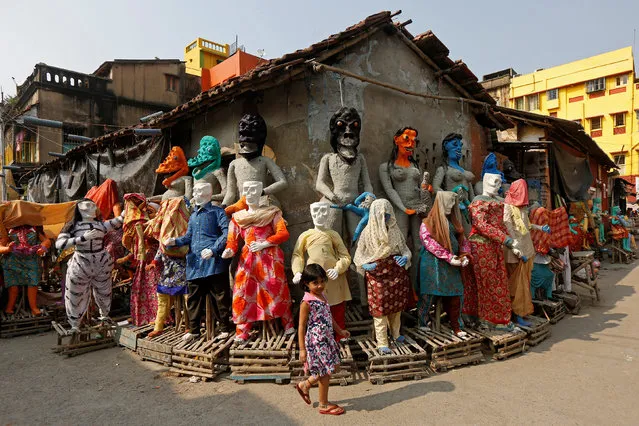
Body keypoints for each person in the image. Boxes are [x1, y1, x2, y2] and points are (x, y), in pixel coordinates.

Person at [353, 199, 412, 354]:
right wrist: (364, 264)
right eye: (381, 215)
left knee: (396, 307)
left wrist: (405, 257)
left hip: (395, 271)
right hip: (377, 274)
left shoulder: (395, 230)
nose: (385, 218)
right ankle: (382, 342)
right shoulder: (367, 232)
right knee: (379, 309)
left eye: (387, 214)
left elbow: (405, 249)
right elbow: (358, 255)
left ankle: (396, 333)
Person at [295, 264, 350, 416]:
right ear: (306, 283)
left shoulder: (323, 296)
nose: (319, 285)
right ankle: (323, 405)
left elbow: (329, 316)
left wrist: (340, 331)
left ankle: (305, 385)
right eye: (315, 283)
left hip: (327, 339)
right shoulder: (307, 302)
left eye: (322, 281)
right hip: (316, 342)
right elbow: (301, 326)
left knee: (329, 368)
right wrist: (302, 350)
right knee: (325, 372)